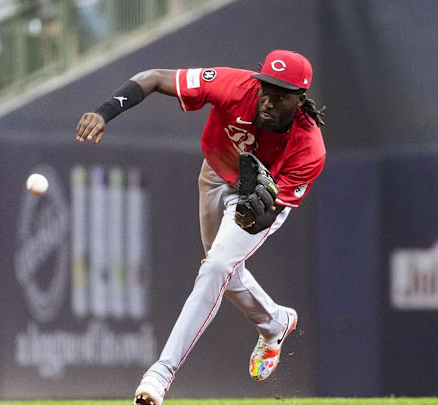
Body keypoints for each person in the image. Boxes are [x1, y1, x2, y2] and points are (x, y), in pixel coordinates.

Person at [75, 49, 326, 405]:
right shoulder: (235, 86)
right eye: (266, 87)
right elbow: (153, 77)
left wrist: (256, 212)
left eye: (281, 94)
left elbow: (268, 213)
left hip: (259, 199)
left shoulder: (309, 148)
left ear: (300, 99)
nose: (268, 100)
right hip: (213, 175)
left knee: (218, 267)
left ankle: (160, 374)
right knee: (221, 269)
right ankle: (275, 322)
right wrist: (104, 112)